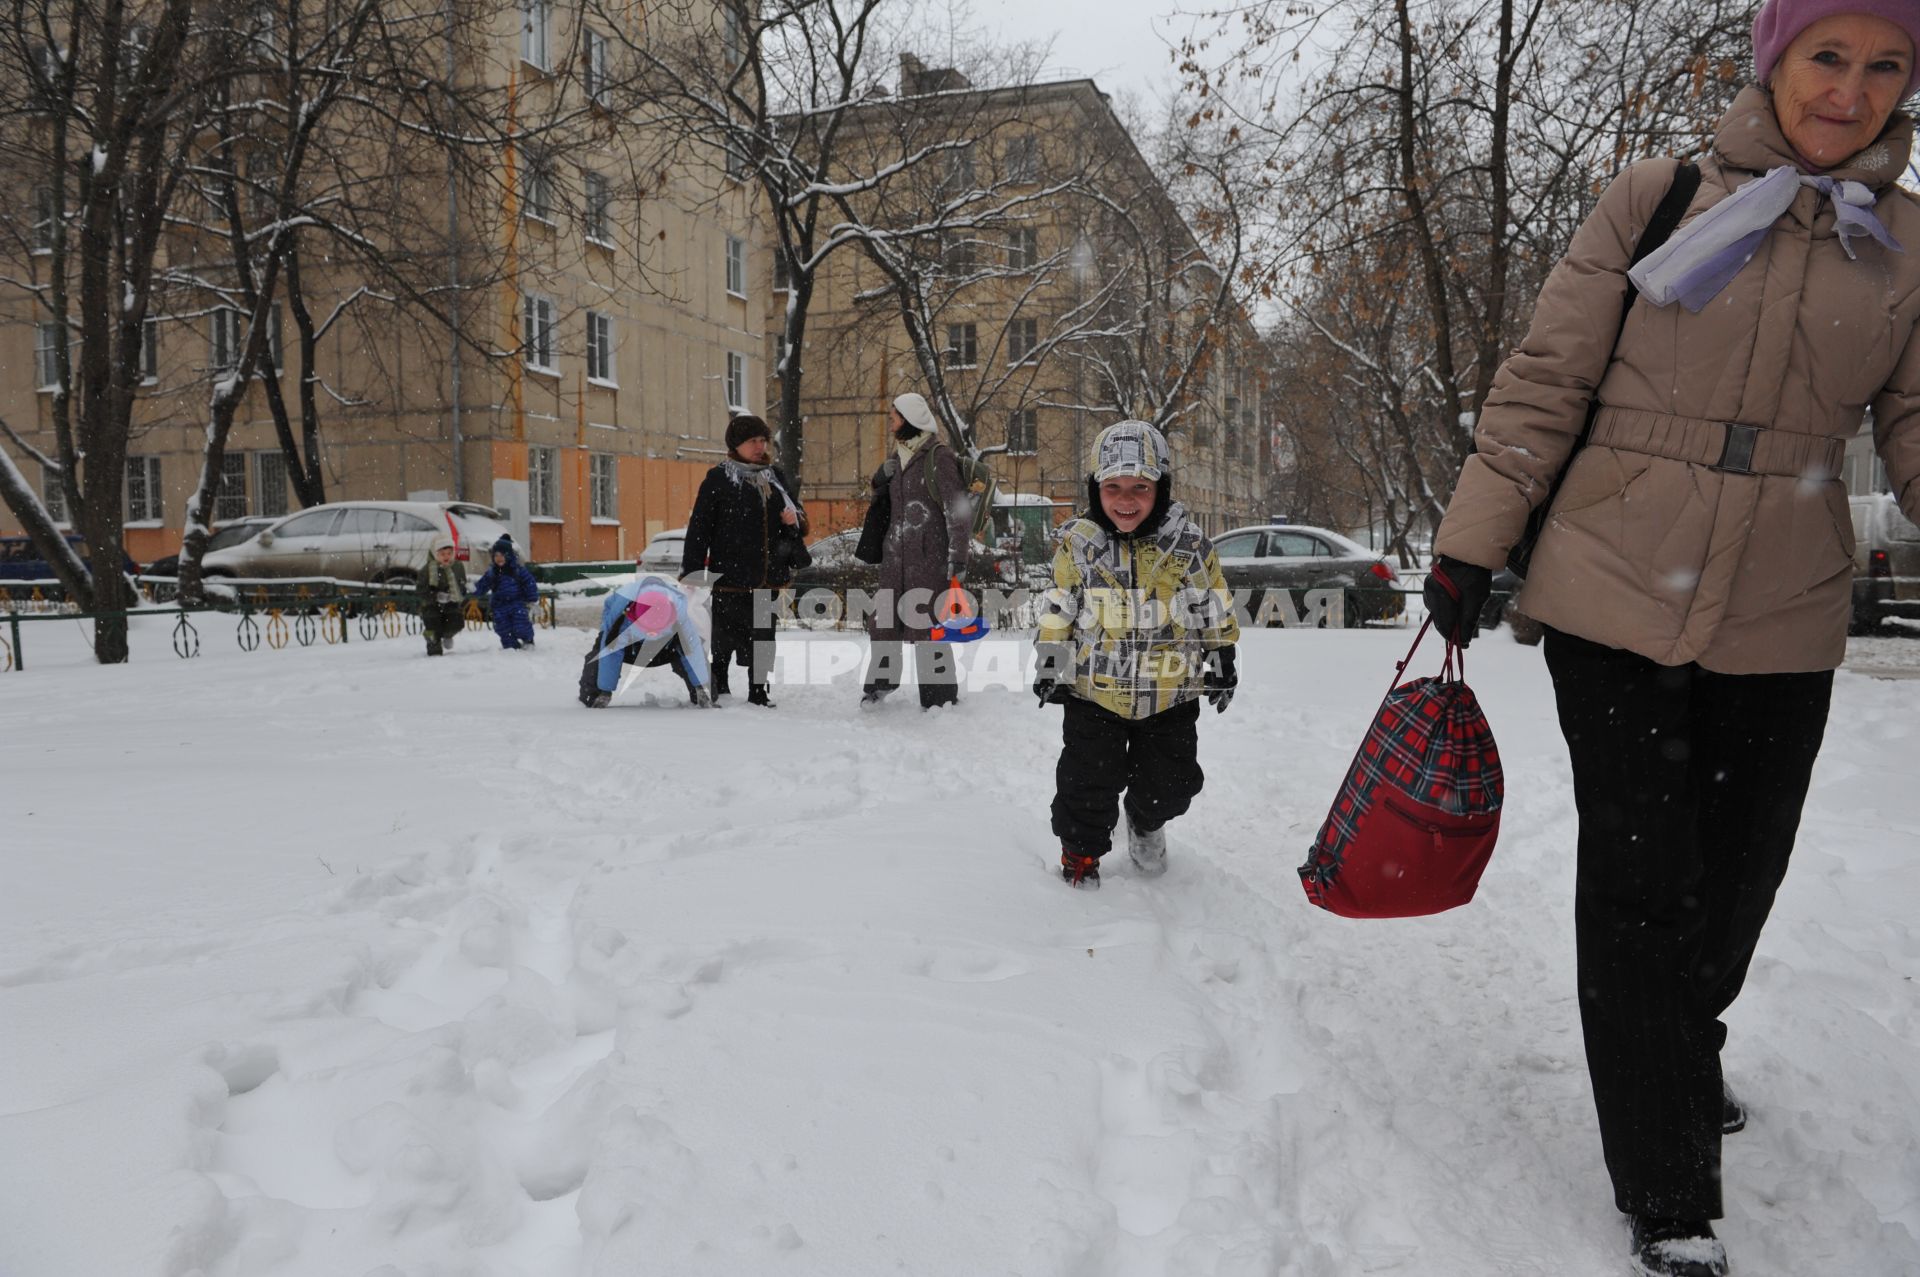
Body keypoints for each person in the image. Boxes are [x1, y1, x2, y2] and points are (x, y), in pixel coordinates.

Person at [1422, 5, 1920, 1273]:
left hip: (1786, 600)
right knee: (1643, 880)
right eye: (1829, 55)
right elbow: (1546, 381)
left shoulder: (1907, 246)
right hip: (1613, 583)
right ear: (1773, 59)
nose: (1852, 91)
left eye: (1886, 67)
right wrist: (1474, 540)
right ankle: (1667, 1183)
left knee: (1738, 877)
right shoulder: (1658, 197)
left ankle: (1678, 1043)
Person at [1033, 420, 1238, 889]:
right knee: (1085, 785)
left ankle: (1146, 821)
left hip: (1170, 692)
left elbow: (1212, 602)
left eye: (1140, 487)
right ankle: (1080, 856)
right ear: (1095, 489)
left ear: (1160, 488)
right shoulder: (1080, 544)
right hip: (1094, 693)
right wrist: (1051, 658)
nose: (1126, 500)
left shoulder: (1188, 546)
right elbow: (1059, 603)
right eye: (1113, 487)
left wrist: (1222, 654)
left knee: (1170, 785)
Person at [681, 414, 807, 707]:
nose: (760, 446)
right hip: (729, 578)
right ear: (737, 445)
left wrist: (794, 519)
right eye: (753, 441)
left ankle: (759, 692)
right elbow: (700, 527)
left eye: (763, 440)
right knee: (723, 638)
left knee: (764, 638)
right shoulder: (719, 478)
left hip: (767, 576)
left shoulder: (774, 477)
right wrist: (693, 569)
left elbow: (797, 515)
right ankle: (720, 683)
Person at [861, 392, 972, 709]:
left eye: (894, 418)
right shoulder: (897, 458)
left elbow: (958, 513)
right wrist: (878, 478)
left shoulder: (939, 458)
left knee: (929, 629)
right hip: (895, 558)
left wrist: (958, 558)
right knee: (883, 624)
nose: (891, 424)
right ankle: (879, 684)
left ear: (909, 420)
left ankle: (939, 698)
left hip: (929, 561)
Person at [576, 571, 714, 709]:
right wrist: (605, 691)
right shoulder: (621, 611)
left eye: (657, 630)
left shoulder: (679, 612)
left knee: (706, 684)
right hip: (629, 647)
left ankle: (702, 693)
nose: (653, 634)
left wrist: (701, 687)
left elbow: (692, 650)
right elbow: (610, 652)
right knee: (598, 660)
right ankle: (592, 696)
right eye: (649, 630)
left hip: (666, 646)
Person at [473, 535, 539, 650]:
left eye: (502, 555)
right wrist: (474, 590)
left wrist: (532, 598)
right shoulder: (492, 573)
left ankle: (528, 640)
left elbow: (529, 582)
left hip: (517, 602)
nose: (499, 558)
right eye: (496, 555)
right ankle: (510, 646)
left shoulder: (517, 570)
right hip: (499, 605)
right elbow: (482, 585)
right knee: (503, 628)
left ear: (509, 555)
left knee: (520, 623)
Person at [416, 535, 467, 657]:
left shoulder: (457, 566)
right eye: (442, 554)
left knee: (457, 623)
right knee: (433, 628)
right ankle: (433, 644)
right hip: (431, 605)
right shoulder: (427, 570)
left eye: (449, 553)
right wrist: (435, 595)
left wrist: (454, 594)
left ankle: (447, 635)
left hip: (451, 603)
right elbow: (421, 590)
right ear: (435, 554)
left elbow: (462, 584)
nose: (446, 557)